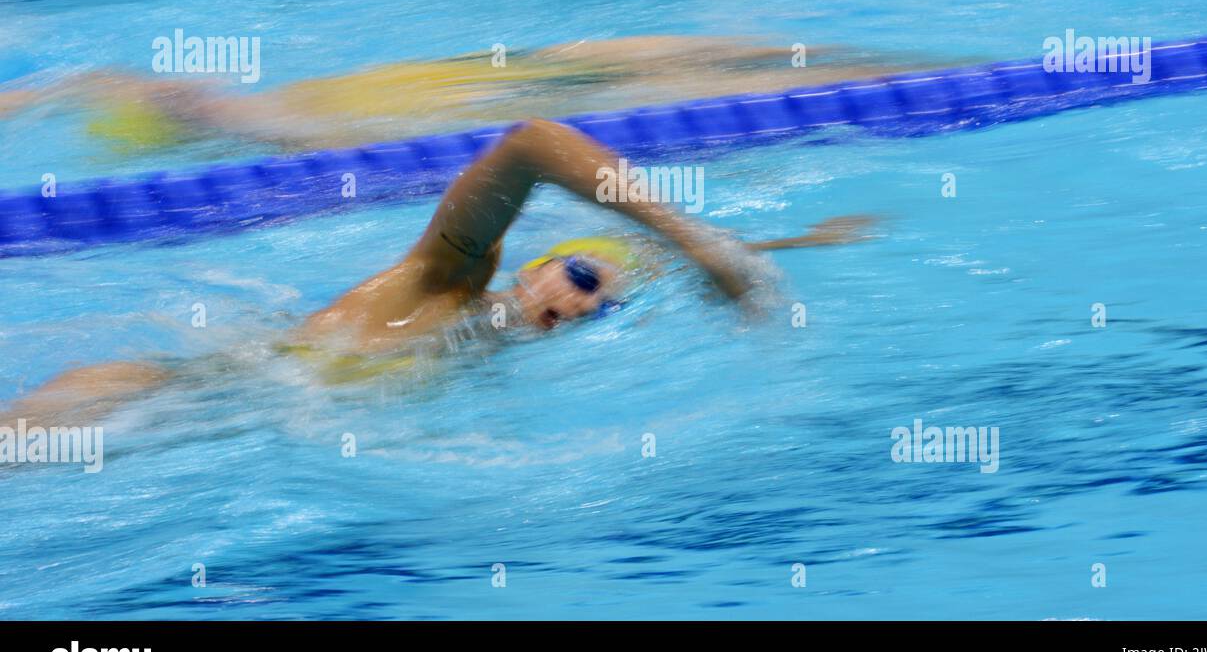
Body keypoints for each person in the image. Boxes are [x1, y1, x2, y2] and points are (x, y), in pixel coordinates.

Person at [4, 118, 874, 424]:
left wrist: (781, 247)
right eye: (577, 273)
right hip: (148, 396)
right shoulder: (450, 278)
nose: (581, 302)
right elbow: (533, 141)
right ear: (528, 267)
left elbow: (636, 267)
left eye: (602, 306)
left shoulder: (482, 343)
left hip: (213, 423)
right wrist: (693, 240)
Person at [0, 36, 918, 152]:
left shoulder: (262, 129)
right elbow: (92, 85)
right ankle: (904, 67)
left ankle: (907, 72)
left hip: (422, 100)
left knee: (645, 72)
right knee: (639, 62)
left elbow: (91, 87)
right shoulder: (257, 120)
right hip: (429, 83)